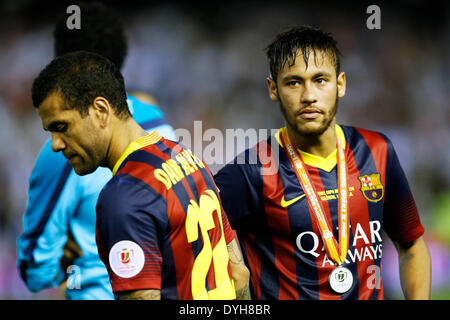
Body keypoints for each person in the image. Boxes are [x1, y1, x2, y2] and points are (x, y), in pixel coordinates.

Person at [214, 25, 431, 300]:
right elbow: (191, 243)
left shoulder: (378, 151)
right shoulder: (250, 171)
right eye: (293, 82)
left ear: (340, 84)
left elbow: (411, 245)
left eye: (320, 80)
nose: (309, 96)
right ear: (273, 89)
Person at [31, 51, 250, 300]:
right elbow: (239, 272)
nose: (55, 145)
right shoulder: (187, 157)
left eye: (61, 127)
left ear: (101, 111)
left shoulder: (124, 197)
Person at [17, 2, 176, 299]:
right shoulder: (158, 122)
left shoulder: (60, 154)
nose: (57, 141)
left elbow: (34, 271)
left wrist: (61, 263)